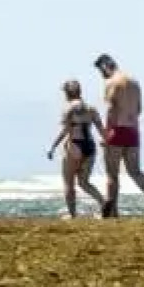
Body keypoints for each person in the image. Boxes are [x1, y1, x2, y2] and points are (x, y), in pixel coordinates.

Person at [93, 54, 144, 218]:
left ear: (105, 66)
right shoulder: (134, 82)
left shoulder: (111, 82)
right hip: (132, 131)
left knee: (112, 174)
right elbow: (139, 109)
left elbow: (112, 110)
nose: (101, 75)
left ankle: (112, 211)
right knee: (135, 171)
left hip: (117, 130)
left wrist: (106, 134)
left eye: (100, 71)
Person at [45, 79, 107, 218]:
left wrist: (53, 147)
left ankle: (72, 215)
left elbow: (65, 131)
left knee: (69, 183)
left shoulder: (69, 108)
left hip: (74, 145)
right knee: (84, 182)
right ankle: (104, 203)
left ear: (67, 93)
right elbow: (101, 130)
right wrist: (107, 142)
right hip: (90, 146)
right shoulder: (91, 108)